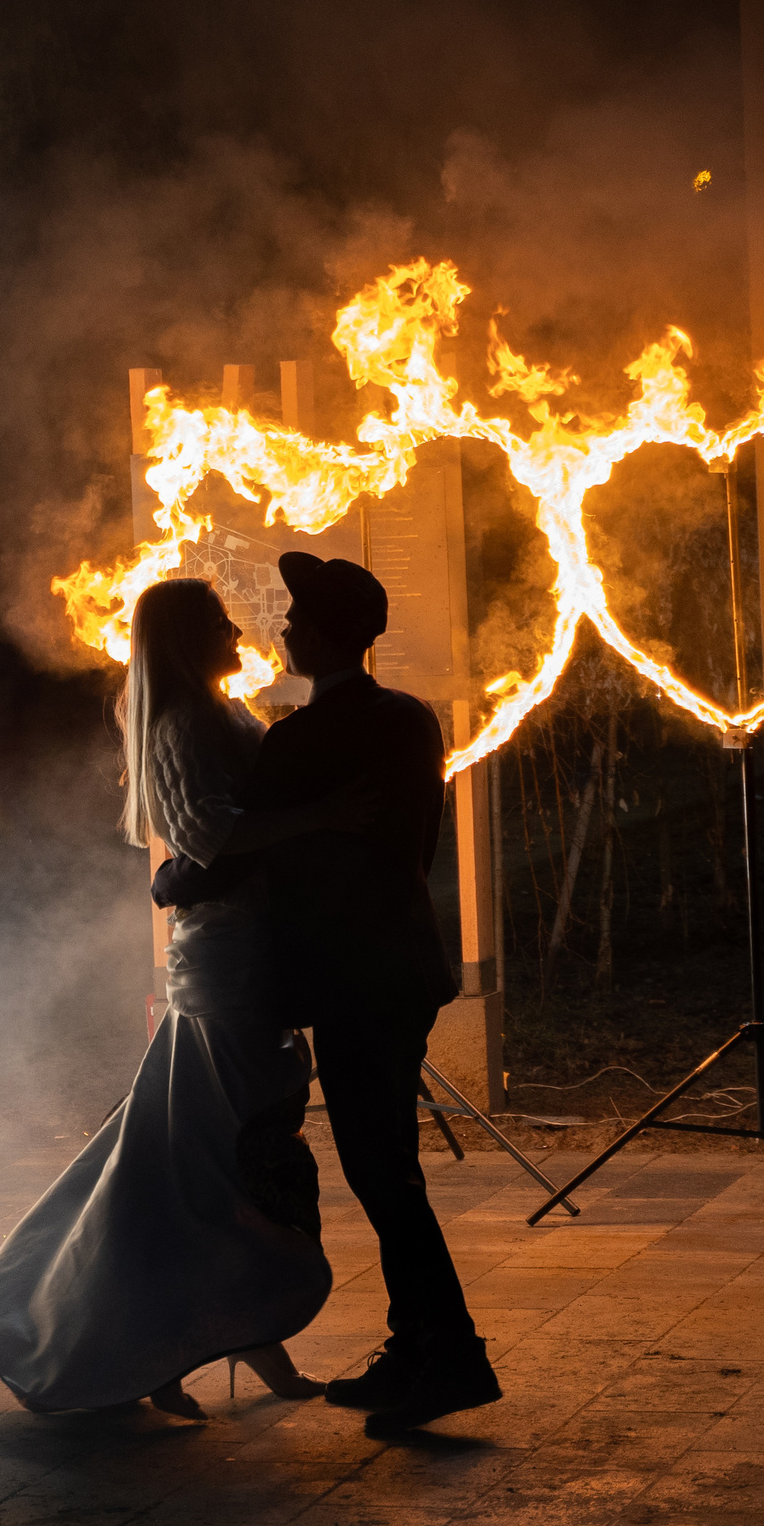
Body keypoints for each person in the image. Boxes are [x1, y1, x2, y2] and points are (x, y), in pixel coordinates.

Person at [0, 577, 360, 1416]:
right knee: (218, 1166)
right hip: (227, 969)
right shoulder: (181, 724)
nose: (235, 631)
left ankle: (180, 1341)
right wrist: (324, 816)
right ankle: (167, 1341)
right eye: (215, 622)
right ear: (181, 640)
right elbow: (212, 838)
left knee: (199, 1165)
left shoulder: (215, 712)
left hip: (249, 961)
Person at [241, 550, 501, 1434]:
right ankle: (413, 1346)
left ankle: (451, 1354)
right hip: (403, 970)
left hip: (356, 982)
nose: (281, 628)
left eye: (293, 617)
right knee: (386, 1163)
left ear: (318, 634)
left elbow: (253, 850)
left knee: (381, 1172)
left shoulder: (301, 740)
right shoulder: (411, 720)